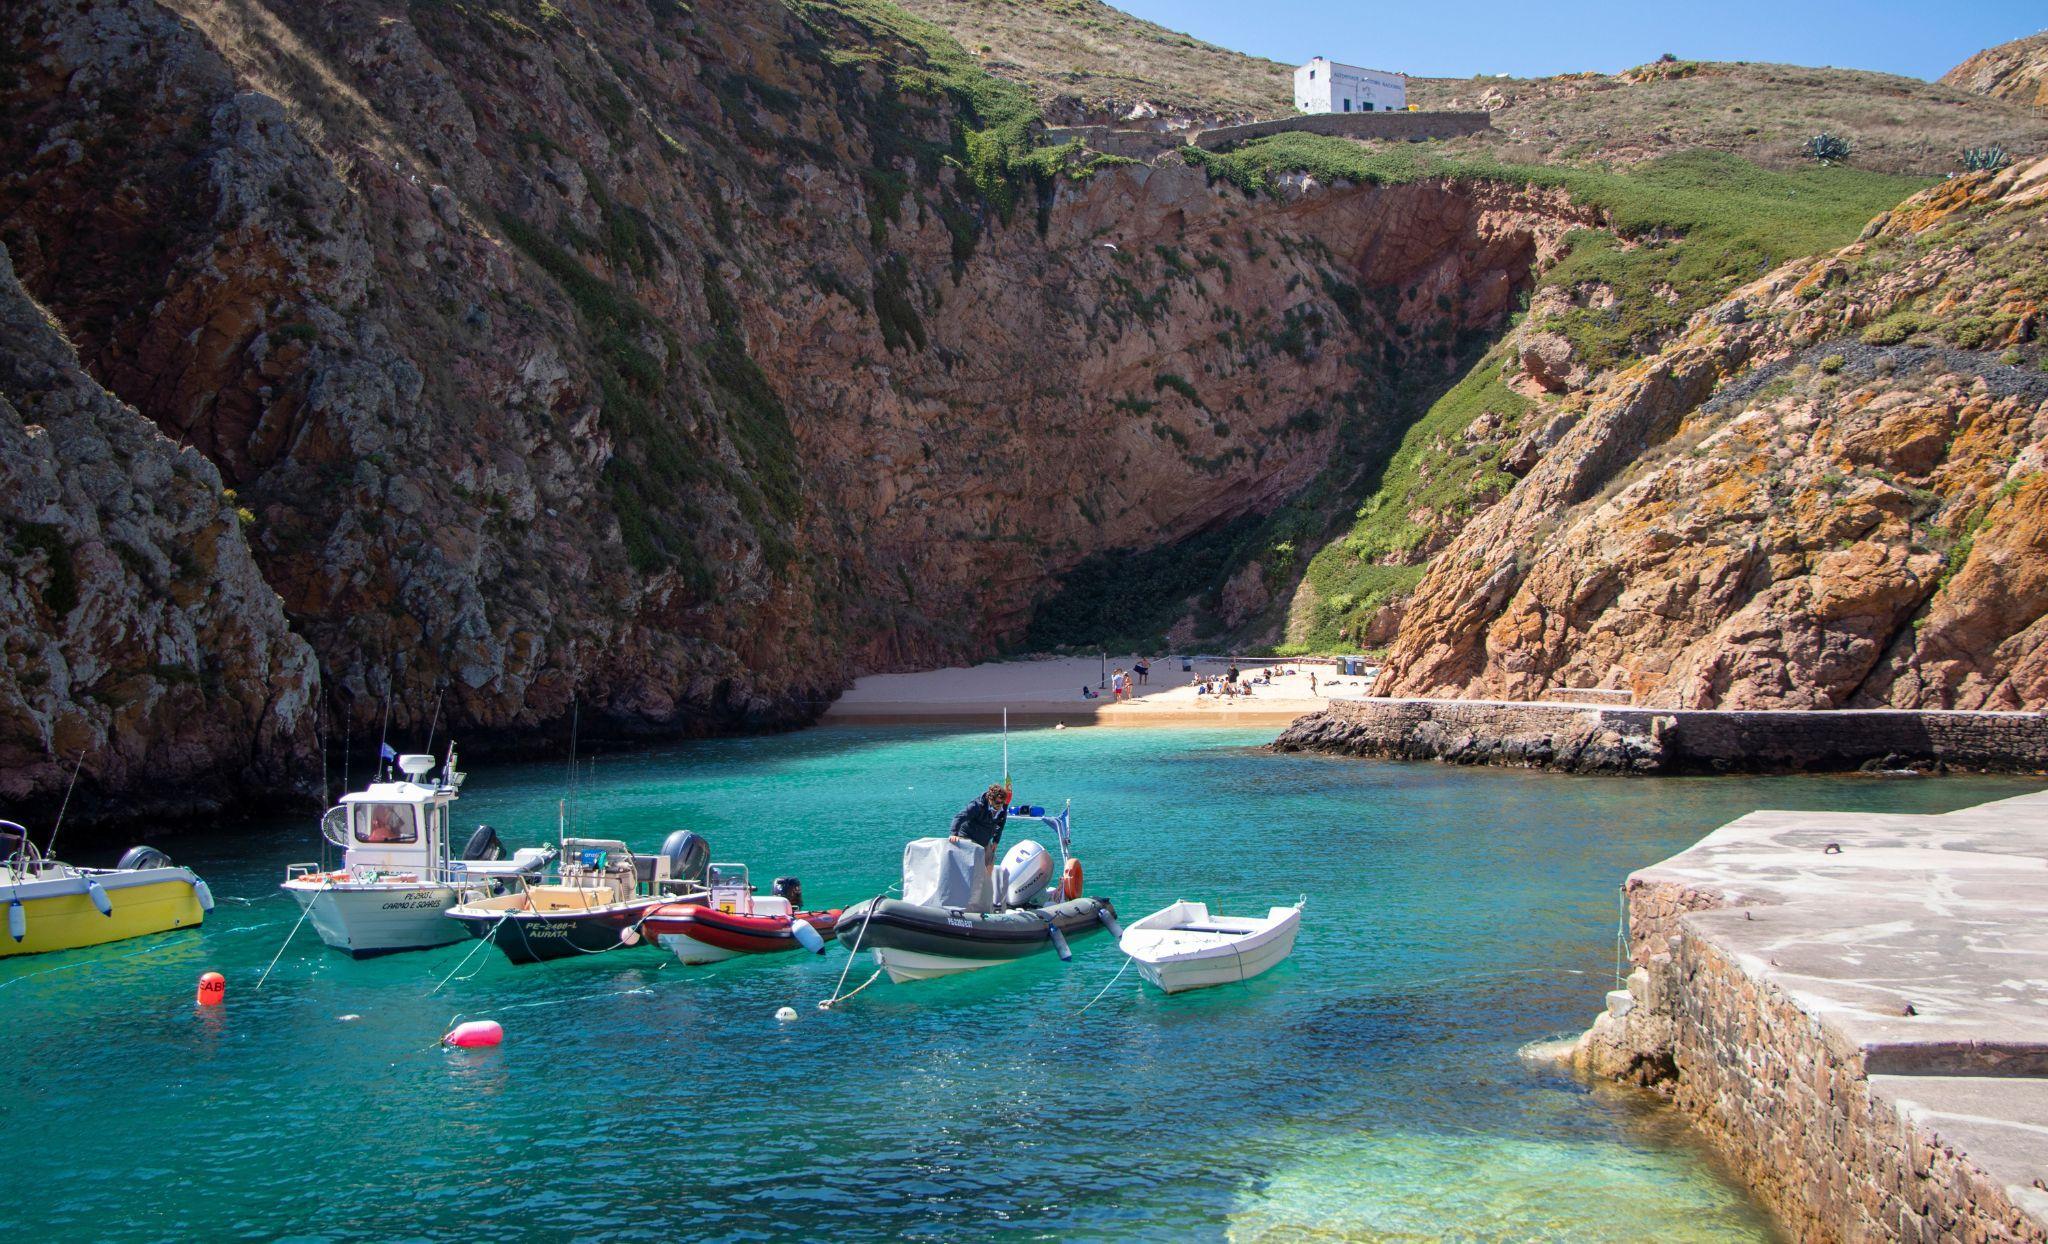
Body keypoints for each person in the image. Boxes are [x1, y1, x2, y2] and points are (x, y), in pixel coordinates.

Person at [949, 782, 1012, 894]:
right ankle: (967, 893)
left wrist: (996, 841)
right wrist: (953, 834)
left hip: (984, 839)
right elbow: (959, 817)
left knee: (990, 860)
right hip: (969, 837)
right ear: (990, 799)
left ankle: (984, 891)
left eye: (1002, 803)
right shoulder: (976, 806)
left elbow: (1001, 823)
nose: (1000, 806)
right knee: (974, 867)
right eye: (998, 803)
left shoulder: (1001, 807)